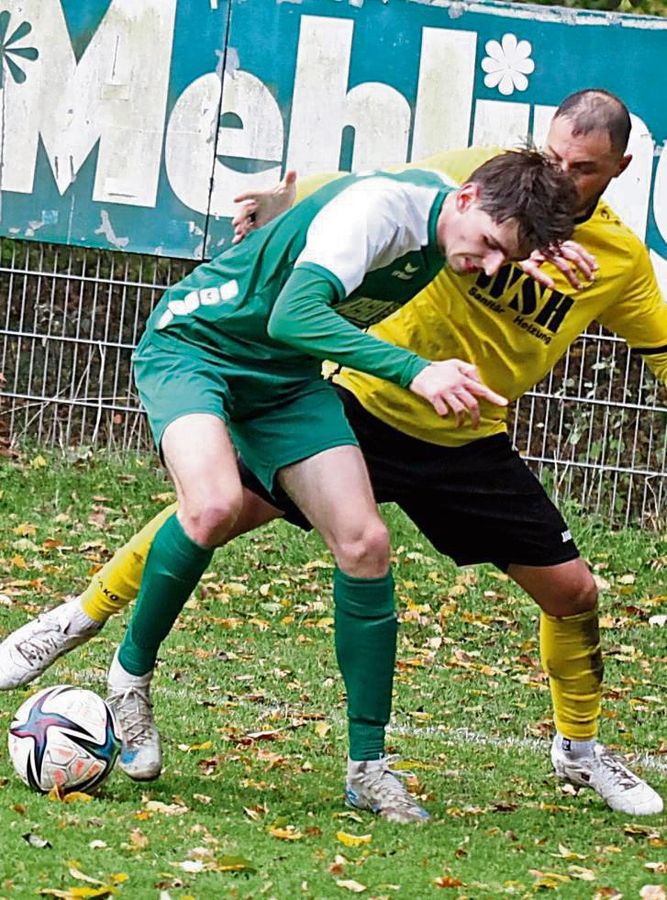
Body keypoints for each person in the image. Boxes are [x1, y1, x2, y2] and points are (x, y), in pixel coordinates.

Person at [2, 90, 664, 818]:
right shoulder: (449, 191)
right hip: (303, 378)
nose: (566, 177)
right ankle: (89, 639)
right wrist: (287, 195)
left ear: (620, 170)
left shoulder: (572, 247)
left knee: (448, 564)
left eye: (586, 169)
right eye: (557, 159)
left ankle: (422, 762)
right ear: (481, 188)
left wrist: (527, 247)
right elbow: (356, 209)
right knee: (216, 504)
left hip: (432, 424)